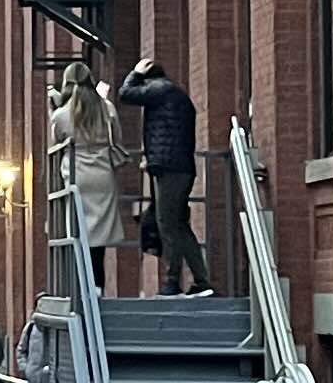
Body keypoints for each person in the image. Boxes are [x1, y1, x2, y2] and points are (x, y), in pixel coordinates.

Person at [115, 56, 214, 295]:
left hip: (170, 169)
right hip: (179, 167)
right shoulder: (176, 95)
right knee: (178, 224)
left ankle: (172, 281)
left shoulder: (159, 90)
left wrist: (136, 72)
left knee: (167, 224)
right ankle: (201, 280)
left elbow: (125, 94)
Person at [49, 64, 122, 290]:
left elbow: (55, 140)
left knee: (77, 230)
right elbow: (117, 136)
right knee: (98, 233)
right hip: (102, 172)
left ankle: (81, 285)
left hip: (76, 173)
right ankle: (97, 285)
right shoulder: (106, 108)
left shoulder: (62, 114)